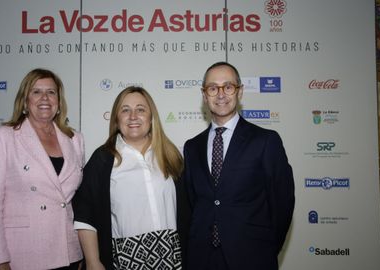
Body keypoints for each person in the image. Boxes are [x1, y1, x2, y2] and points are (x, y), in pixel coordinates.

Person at [183, 62, 295, 270]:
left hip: (252, 257)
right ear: (204, 95)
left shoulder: (265, 141)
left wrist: (265, 248)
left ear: (240, 91)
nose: (221, 94)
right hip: (201, 258)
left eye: (228, 86)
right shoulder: (192, 147)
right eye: (212, 88)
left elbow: (282, 204)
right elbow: (191, 204)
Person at [0, 68, 85, 270]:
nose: (45, 98)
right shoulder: (2, 137)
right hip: (21, 254)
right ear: (25, 100)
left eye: (51, 92)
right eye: (36, 91)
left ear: (59, 101)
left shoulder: (74, 139)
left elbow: (74, 202)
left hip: (67, 252)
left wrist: (79, 252)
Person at [72, 86, 190, 270]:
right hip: (126, 257)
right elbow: (85, 214)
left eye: (141, 109)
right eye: (125, 110)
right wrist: (93, 262)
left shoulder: (170, 155)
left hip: (172, 255)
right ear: (117, 119)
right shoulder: (103, 159)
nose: (133, 116)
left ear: (151, 118)